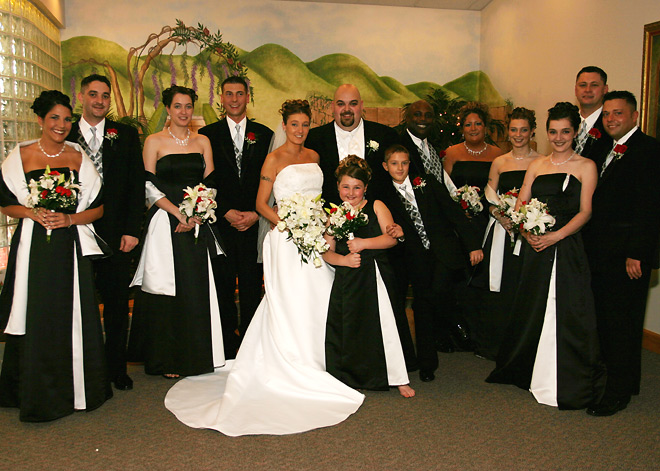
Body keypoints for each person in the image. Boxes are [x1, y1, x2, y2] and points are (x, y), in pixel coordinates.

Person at [164, 99, 364, 436]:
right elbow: (261, 204)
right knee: (289, 301)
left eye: (305, 124)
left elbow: (319, 200)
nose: (300, 130)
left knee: (316, 297)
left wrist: (318, 226)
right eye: (294, 124)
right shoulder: (273, 159)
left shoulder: (315, 157)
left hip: (314, 237)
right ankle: (290, 363)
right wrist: (288, 225)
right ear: (284, 126)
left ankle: (320, 360)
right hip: (286, 240)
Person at [0, 90, 112, 421]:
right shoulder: (20, 156)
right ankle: (35, 390)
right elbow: (5, 202)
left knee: (72, 311)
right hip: (33, 246)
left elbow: (98, 208)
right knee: (37, 312)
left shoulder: (78, 156)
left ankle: (78, 389)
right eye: (54, 118)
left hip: (69, 247)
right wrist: (31, 212)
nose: (61, 125)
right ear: (40, 119)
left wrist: (69, 219)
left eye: (66, 119)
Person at [486, 102, 605, 410]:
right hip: (535, 246)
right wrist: (527, 233)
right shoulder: (537, 165)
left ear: (575, 132)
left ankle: (566, 374)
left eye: (565, 131)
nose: (559, 138)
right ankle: (527, 366)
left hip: (566, 246)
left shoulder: (586, 166)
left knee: (568, 308)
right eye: (553, 132)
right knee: (532, 305)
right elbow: (521, 205)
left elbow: (586, 212)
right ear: (547, 133)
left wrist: (556, 236)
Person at [129, 86, 225, 378]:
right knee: (168, 289)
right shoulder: (154, 141)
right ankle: (168, 359)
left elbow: (211, 183)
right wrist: (177, 212)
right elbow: (148, 185)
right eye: (177, 106)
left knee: (195, 288)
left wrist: (197, 213)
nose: (183, 112)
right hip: (165, 222)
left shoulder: (203, 141)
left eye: (188, 106)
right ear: (167, 109)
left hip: (197, 224)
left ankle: (197, 356)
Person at [583, 91, 660, 416]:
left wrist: (637, 253)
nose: (611, 119)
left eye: (618, 113)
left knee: (622, 325)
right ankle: (623, 381)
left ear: (635, 116)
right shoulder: (604, 148)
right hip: (602, 254)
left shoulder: (649, 150)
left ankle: (616, 393)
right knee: (606, 321)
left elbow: (650, 207)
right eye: (607, 114)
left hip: (628, 257)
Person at [66, 74, 144, 391]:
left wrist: (132, 230)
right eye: (93, 94)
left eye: (105, 95)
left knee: (115, 305)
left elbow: (136, 184)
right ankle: (81, 368)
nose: (99, 101)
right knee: (77, 303)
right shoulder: (65, 133)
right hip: (74, 231)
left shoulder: (125, 135)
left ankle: (116, 369)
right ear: (81, 97)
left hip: (116, 234)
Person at [380, 145, 482, 382]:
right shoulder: (383, 194)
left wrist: (473, 245)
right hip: (413, 257)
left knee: (437, 295)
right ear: (385, 166)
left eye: (404, 163)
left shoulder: (426, 183)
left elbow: (453, 213)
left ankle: (451, 320)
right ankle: (427, 364)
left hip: (443, 251)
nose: (400, 168)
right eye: (394, 163)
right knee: (423, 306)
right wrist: (398, 233)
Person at [323, 155, 416, 396]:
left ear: (365, 188)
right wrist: (343, 260)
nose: (350, 193)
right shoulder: (334, 214)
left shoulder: (376, 206)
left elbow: (391, 239)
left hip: (375, 274)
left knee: (384, 323)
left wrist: (364, 243)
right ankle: (350, 375)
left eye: (357, 187)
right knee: (350, 326)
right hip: (348, 278)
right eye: (346, 187)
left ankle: (397, 376)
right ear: (338, 187)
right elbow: (326, 251)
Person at [198, 77, 273, 358]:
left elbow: (271, 180)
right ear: (221, 97)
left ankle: (251, 346)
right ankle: (227, 346)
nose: (234, 99)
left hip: (255, 224)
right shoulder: (207, 135)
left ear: (247, 97)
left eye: (239, 94)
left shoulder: (264, 135)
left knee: (253, 286)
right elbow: (204, 180)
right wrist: (223, 210)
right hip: (221, 223)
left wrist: (256, 213)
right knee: (223, 286)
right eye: (228, 94)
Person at [469, 107, 541, 360]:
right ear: (508, 132)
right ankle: (495, 345)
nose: (518, 135)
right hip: (502, 231)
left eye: (524, 130)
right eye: (513, 130)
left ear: (532, 132)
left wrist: (525, 219)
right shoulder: (500, 162)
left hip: (529, 233)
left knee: (524, 287)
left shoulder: (542, 161)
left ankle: (523, 346)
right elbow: (488, 197)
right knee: (499, 288)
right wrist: (500, 215)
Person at [306, 84, 398, 204]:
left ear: (361, 105)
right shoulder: (314, 139)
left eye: (353, 104)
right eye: (340, 104)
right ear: (333, 106)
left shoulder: (386, 135)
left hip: (377, 212)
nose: (347, 109)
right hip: (328, 212)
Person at [397, 100, 456, 193]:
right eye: (417, 114)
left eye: (428, 116)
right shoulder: (398, 144)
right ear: (407, 118)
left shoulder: (435, 145)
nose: (423, 119)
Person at [573, 66, 613, 160]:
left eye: (594, 85)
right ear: (575, 90)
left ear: (605, 89)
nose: (588, 90)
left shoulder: (611, 124)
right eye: (583, 85)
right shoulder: (568, 120)